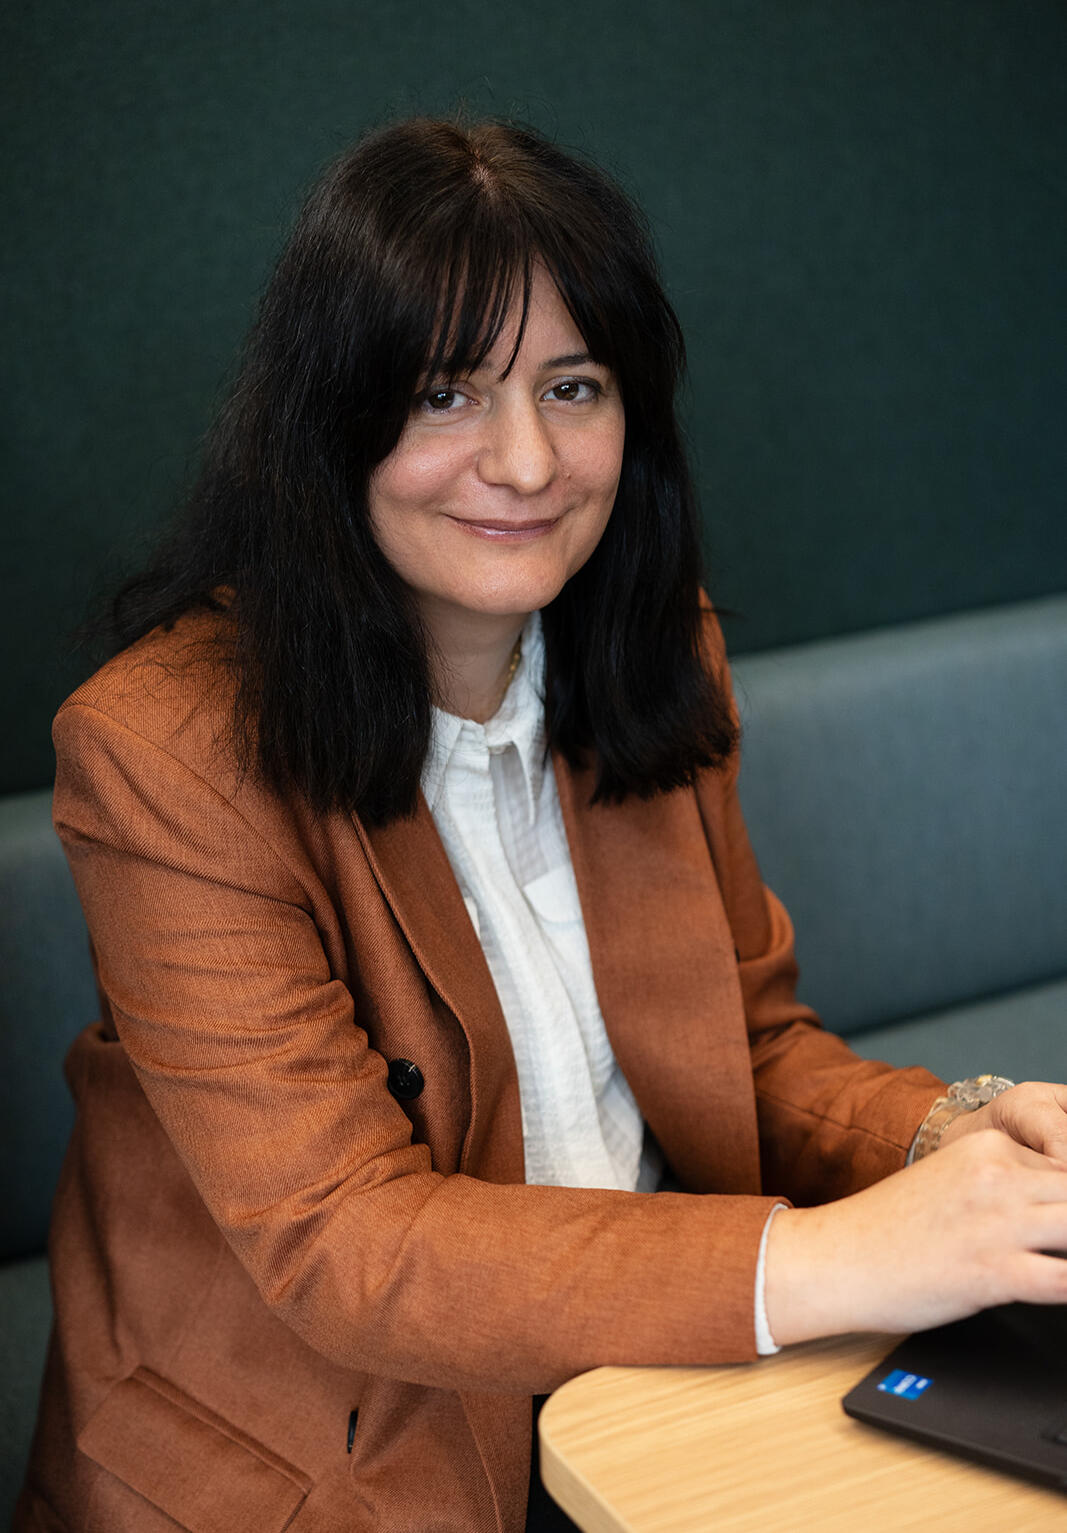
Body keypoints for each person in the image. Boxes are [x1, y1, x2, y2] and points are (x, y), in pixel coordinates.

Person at [17, 118, 1067, 1533]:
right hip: (342, 1458)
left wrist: (960, 1139)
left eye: (573, 387)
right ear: (330, 418)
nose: (525, 462)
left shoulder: (653, 653)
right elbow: (347, 1243)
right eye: (446, 394)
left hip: (660, 1372)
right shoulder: (164, 754)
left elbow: (748, 1050)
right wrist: (840, 1260)